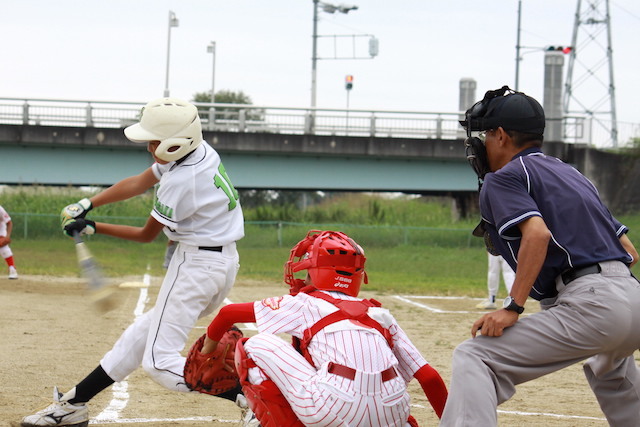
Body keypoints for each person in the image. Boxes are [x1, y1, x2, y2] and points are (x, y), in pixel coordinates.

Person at [22, 97, 245, 426]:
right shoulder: (197, 152)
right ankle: (75, 404)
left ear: (173, 144)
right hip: (218, 263)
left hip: (197, 267)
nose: (148, 146)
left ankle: (251, 398)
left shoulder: (182, 181)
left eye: (153, 141)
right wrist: (88, 203)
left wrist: (93, 226)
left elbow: (145, 235)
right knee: (138, 336)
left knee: (157, 362)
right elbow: (140, 181)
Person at [440, 85, 640, 426]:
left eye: (488, 133)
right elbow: (629, 252)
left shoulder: (503, 178)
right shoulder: (572, 174)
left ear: (501, 135)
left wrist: (512, 307)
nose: (484, 142)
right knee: (612, 373)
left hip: (593, 305)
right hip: (632, 299)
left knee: (476, 356)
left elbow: (537, 234)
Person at [197, 230, 448, 426]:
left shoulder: (305, 303)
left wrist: (207, 353)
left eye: (307, 271)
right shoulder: (379, 314)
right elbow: (430, 378)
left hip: (334, 408)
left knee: (253, 345)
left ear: (316, 272)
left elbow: (228, 313)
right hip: (393, 413)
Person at [0, 204, 18, 279]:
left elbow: (9, 222)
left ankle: (12, 268)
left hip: (1, 232)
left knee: (3, 247)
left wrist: (7, 236)